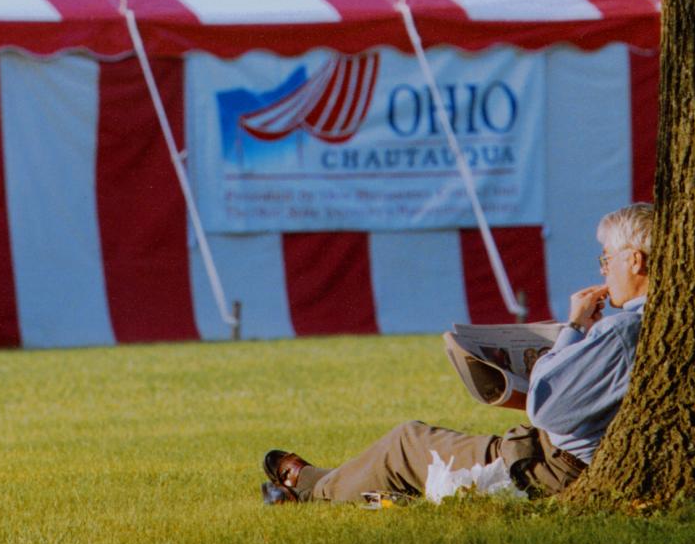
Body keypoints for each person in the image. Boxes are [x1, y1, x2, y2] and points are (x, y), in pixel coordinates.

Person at [261, 202, 652, 504]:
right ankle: (325, 478)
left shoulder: (622, 330)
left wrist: (573, 331)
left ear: (634, 260)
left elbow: (546, 408)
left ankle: (312, 491)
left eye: (607, 258)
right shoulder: (648, 322)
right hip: (555, 458)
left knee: (407, 443)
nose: (603, 270)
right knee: (408, 453)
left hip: (550, 466)